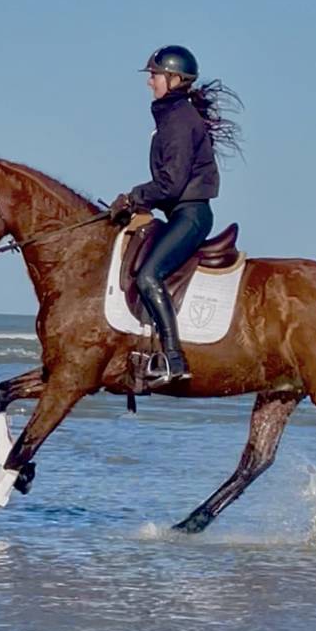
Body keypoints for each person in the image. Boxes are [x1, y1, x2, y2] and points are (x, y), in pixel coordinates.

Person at [110, 44, 240, 387]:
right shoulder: (172, 116)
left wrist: (134, 196)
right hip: (180, 212)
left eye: (154, 75)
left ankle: (173, 358)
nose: (149, 82)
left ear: (174, 79)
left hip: (191, 215)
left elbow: (171, 183)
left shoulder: (179, 121)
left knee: (148, 275)